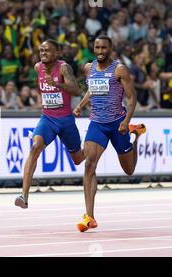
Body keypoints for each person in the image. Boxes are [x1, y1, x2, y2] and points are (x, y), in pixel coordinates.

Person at [73, 35, 146, 232]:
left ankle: (135, 136)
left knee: (129, 170)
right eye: (97, 47)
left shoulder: (119, 69)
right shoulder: (89, 68)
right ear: (93, 48)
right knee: (89, 164)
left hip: (117, 124)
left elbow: (132, 98)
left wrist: (126, 121)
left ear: (110, 49)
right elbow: (92, 90)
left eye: (104, 47)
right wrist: (80, 105)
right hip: (97, 123)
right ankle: (90, 216)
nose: (100, 50)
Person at [15, 40, 85, 209]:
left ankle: (95, 147)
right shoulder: (37, 68)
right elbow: (42, 88)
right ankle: (24, 195)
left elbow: (76, 90)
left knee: (78, 159)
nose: (43, 53)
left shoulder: (63, 67)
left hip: (66, 120)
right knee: (35, 146)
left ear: (56, 53)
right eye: (41, 50)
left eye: (47, 50)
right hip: (48, 119)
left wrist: (57, 84)